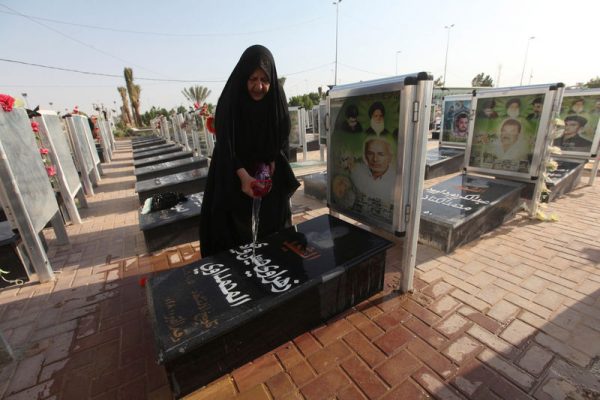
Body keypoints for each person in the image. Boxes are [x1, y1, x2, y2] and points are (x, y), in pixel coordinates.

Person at [199, 45, 300, 257]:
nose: (259, 86)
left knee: (273, 227)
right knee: (234, 234)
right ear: (244, 77)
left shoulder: (275, 99)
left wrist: (272, 160)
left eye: (264, 80)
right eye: (253, 79)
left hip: (266, 174)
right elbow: (225, 142)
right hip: (234, 170)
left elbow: (282, 133)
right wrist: (244, 177)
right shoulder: (230, 100)